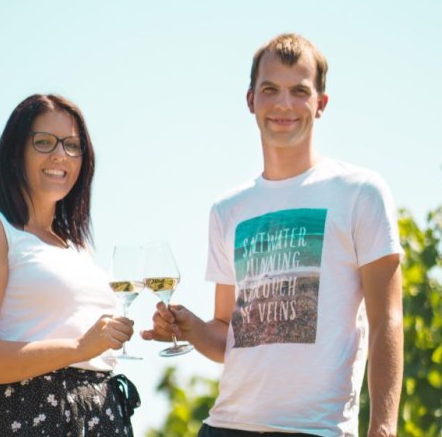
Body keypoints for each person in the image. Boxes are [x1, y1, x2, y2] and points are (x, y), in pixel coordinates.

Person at [142, 33, 404, 437]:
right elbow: (227, 334)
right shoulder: (227, 209)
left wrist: (383, 429)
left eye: (299, 91)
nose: (284, 104)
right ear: (251, 101)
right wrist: (188, 325)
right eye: (270, 90)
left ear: (321, 104)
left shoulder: (360, 193)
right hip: (225, 426)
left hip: (317, 430)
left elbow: (387, 318)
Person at [0, 94, 140, 436]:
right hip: (22, 417)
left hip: (99, 417)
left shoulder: (77, 246)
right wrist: (78, 349)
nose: (60, 154)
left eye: (72, 145)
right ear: (16, 151)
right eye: (44, 142)